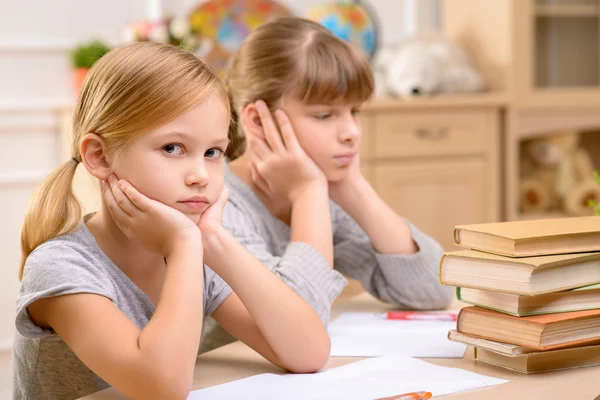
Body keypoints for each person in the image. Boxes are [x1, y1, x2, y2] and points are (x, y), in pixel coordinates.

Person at [13, 42, 330, 400]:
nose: (200, 175)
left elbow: (309, 353)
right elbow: (162, 387)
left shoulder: (195, 252)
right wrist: (184, 247)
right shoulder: (62, 266)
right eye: (172, 148)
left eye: (213, 152)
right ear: (100, 156)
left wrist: (214, 240)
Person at [201, 17, 453, 351]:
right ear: (257, 120)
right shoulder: (216, 206)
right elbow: (302, 325)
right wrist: (308, 193)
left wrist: (354, 188)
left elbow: (434, 292)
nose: (351, 132)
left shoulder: (327, 195)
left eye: (355, 111)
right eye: (325, 115)